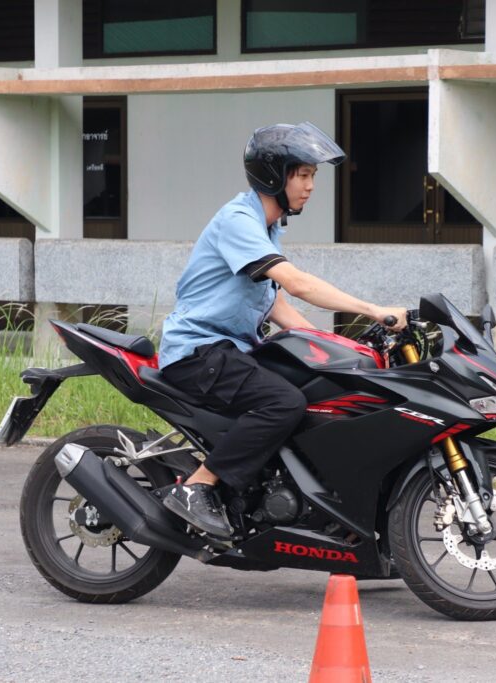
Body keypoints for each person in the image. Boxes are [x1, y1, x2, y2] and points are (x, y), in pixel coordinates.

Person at [158, 122, 407, 538]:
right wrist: (373, 311)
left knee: (318, 391)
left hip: (230, 352)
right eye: (303, 175)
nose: (310, 186)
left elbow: (278, 307)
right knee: (284, 403)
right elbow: (297, 284)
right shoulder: (238, 221)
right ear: (274, 176)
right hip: (199, 353)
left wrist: (340, 352)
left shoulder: (268, 228)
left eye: (313, 175)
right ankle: (198, 486)